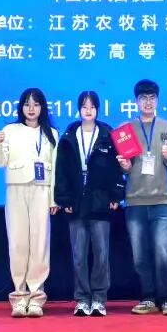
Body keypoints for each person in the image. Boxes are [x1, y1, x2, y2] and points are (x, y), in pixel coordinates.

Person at [0, 87, 60, 317]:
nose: (31, 108)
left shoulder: (52, 133)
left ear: (42, 108)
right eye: (27, 104)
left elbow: (56, 170)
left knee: (40, 244)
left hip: (41, 191)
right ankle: (19, 297)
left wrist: (54, 199)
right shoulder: (9, 130)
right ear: (21, 107)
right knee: (18, 243)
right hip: (16, 189)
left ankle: (37, 296)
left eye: (36, 104)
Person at [54, 91, 124, 317]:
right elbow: (61, 170)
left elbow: (116, 168)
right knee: (79, 255)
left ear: (98, 110)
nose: (88, 110)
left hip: (101, 200)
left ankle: (99, 299)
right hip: (76, 201)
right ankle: (82, 299)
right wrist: (63, 198)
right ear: (78, 109)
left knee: (101, 254)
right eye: (84, 106)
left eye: (92, 106)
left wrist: (116, 196)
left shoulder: (108, 135)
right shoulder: (68, 136)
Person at [116, 78, 167, 316]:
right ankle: (148, 298)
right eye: (143, 98)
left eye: (152, 98)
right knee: (139, 255)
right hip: (134, 199)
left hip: (162, 199)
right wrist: (124, 167)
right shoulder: (125, 130)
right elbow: (124, 166)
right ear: (136, 101)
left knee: (164, 252)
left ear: (158, 100)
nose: (148, 102)